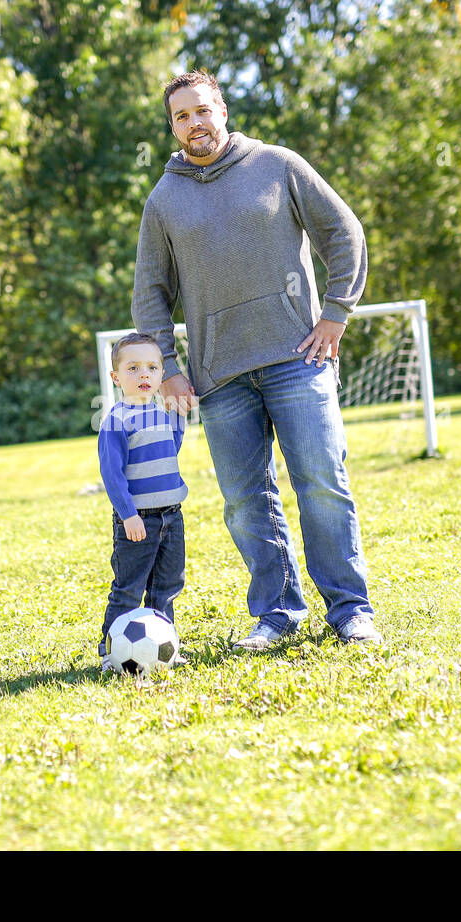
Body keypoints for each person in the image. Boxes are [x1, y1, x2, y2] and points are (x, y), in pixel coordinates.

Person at [131, 69, 383, 650]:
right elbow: (150, 291)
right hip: (218, 376)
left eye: (201, 110)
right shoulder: (163, 201)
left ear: (222, 109)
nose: (194, 123)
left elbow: (344, 232)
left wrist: (336, 312)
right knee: (246, 503)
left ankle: (350, 610)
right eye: (180, 116)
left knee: (321, 482)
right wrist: (167, 367)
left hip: (299, 357)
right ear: (172, 127)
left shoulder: (278, 165)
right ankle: (277, 613)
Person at [97, 332, 188, 672]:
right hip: (138, 520)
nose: (144, 375)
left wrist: (179, 415)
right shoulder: (115, 421)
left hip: (171, 516)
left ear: (161, 374)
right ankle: (110, 652)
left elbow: (169, 451)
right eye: (133, 368)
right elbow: (113, 474)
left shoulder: (163, 414)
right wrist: (129, 515)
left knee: (167, 585)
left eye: (152, 367)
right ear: (116, 377)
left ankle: (164, 646)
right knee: (128, 587)